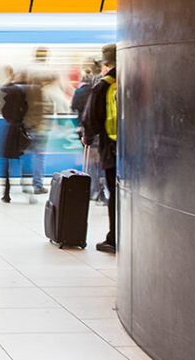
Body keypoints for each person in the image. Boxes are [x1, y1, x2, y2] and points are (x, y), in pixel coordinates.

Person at [83, 44, 118, 254]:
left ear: (106, 63)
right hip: (141, 151)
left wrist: (87, 138)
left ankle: (113, 238)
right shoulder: (139, 78)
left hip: (112, 149)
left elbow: (91, 121)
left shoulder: (104, 84)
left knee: (114, 192)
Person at [0, 65, 31, 203]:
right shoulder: (20, 90)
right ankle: (26, 186)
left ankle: (6, 192)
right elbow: (25, 108)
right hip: (17, 128)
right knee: (19, 158)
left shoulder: (2, 89)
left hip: (4, 128)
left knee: (4, 161)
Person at [72, 65, 105, 205]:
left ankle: (93, 190)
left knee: (90, 161)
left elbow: (74, 107)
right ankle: (103, 191)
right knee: (101, 161)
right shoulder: (98, 90)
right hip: (101, 130)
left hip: (86, 130)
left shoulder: (80, 92)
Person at [17, 64, 48, 196]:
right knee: (39, 157)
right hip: (39, 128)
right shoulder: (38, 90)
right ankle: (37, 185)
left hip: (26, 128)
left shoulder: (22, 90)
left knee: (26, 157)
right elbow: (43, 109)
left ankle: (25, 184)